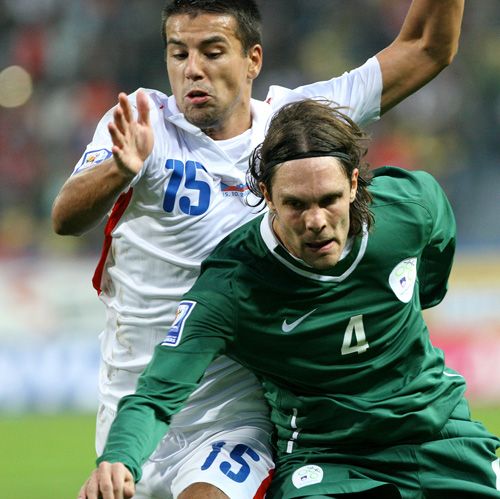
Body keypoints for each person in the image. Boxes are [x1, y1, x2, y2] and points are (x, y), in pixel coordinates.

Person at [51, 1, 465, 497]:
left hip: (236, 414)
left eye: (211, 51)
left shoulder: (296, 130)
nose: (192, 69)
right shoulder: (144, 124)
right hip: (138, 395)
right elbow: (66, 218)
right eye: (178, 53)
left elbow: (426, 47)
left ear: (253, 60)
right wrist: (119, 170)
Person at [80, 99, 500, 499]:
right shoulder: (234, 283)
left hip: (438, 432)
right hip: (329, 459)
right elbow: (157, 392)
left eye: (329, 200)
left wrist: (418, 295)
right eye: (296, 205)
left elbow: (438, 238)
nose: (316, 221)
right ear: (266, 194)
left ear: (353, 184)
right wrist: (119, 459)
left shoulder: (408, 207)